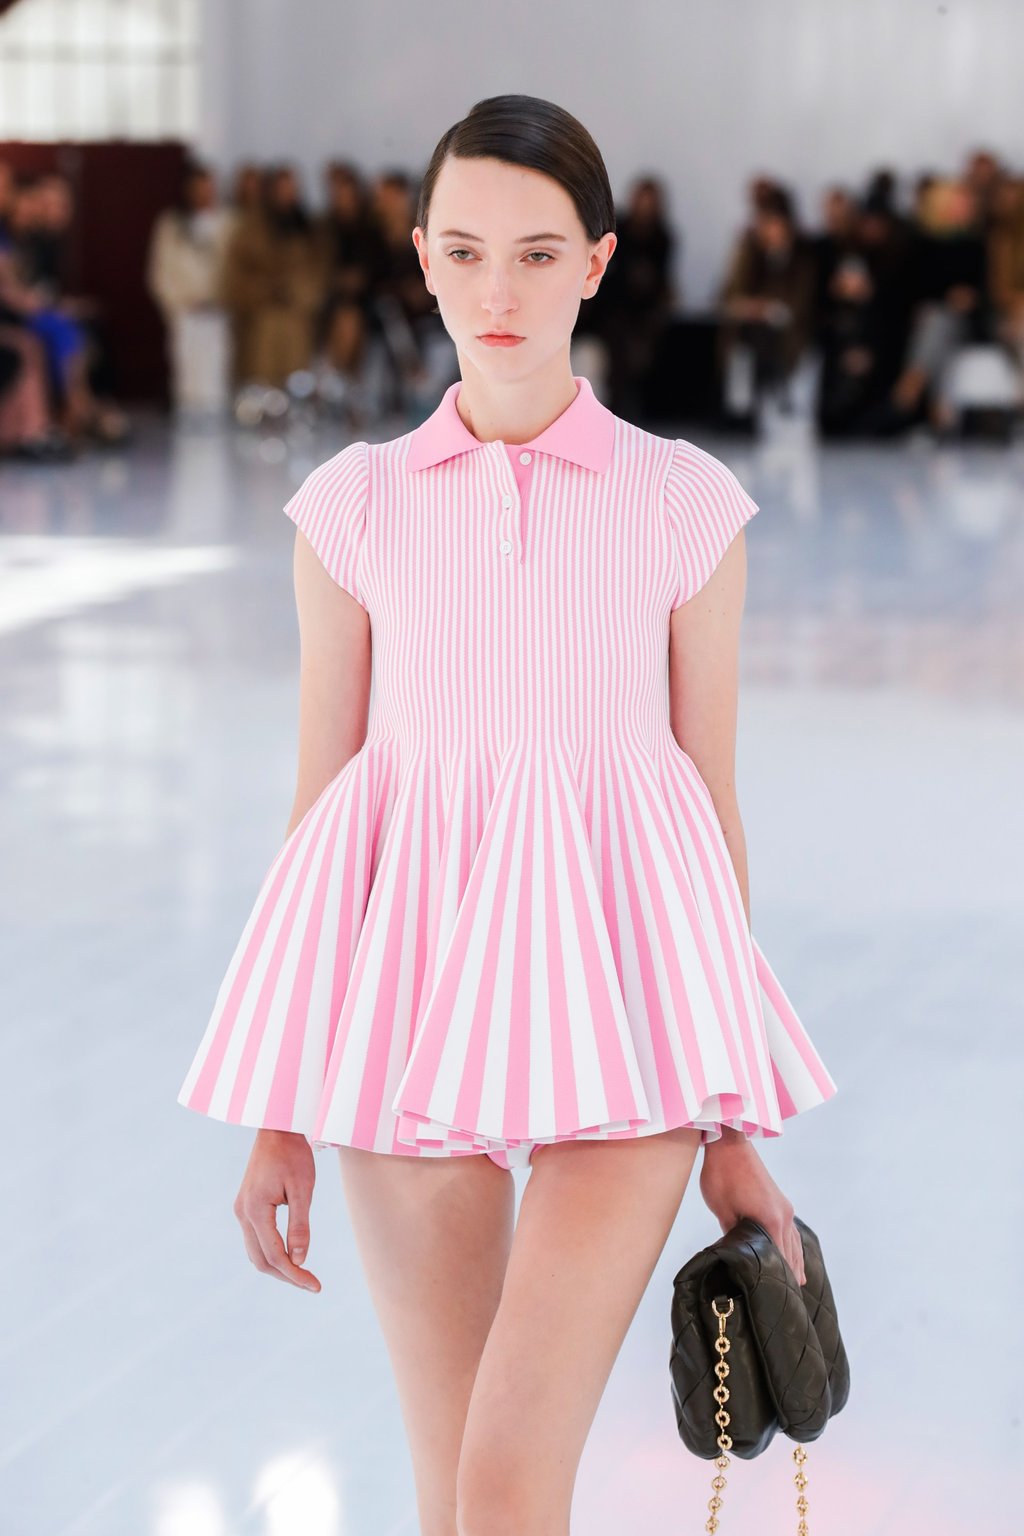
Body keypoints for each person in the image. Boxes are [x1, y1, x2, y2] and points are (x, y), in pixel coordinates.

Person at [176, 94, 839, 1535]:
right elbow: (320, 812)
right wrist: (281, 1105)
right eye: (466, 250)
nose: (498, 290)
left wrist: (729, 1111)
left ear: (597, 264)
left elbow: (707, 803)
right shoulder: (352, 507)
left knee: (507, 1477)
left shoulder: (684, 504)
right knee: (450, 1492)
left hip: (630, 1014)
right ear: (420, 257)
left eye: (538, 255)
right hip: (406, 1005)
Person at [146, 161, 237, 419]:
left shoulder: (228, 223)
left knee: (217, 363)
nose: (204, 193)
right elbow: (160, 271)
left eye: (209, 188)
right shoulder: (171, 223)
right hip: (186, 309)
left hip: (218, 308)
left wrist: (224, 298)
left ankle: (215, 412)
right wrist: (179, 302)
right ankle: (189, 412)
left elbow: (235, 267)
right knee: (188, 364)